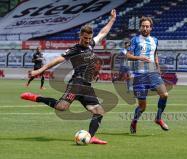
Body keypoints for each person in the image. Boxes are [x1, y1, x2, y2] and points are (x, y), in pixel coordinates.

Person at [20, 9, 117, 144]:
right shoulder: (74, 50)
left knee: (99, 111)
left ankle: (91, 136)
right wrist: (38, 71)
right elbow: (56, 61)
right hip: (76, 84)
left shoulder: (91, 45)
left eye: (89, 38)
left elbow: (103, 32)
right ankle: (36, 97)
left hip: (87, 86)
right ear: (80, 36)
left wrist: (112, 19)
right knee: (61, 107)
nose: (87, 41)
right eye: (85, 38)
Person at [126, 16, 169, 134]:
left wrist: (158, 68)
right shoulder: (134, 40)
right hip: (139, 75)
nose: (145, 28)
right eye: (143, 26)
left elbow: (155, 55)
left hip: (153, 73)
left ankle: (158, 118)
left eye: (147, 26)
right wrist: (139, 57)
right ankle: (134, 121)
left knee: (164, 94)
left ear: (151, 28)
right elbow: (128, 55)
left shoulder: (155, 40)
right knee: (142, 107)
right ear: (140, 27)